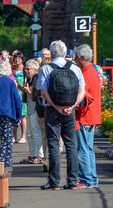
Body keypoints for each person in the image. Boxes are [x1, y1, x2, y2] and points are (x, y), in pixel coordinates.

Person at [37, 40, 85, 190]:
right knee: (71, 144)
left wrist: (57, 107)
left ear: (51, 54)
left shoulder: (46, 68)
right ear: (65, 54)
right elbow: (82, 91)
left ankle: (54, 182)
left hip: (52, 110)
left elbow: (43, 92)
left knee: (54, 144)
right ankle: (72, 181)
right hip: (70, 111)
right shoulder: (75, 68)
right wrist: (72, 106)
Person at [74, 44, 102, 188]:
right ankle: (91, 178)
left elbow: (85, 97)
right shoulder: (93, 71)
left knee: (83, 149)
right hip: (91, 115)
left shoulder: (86, 74)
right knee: (88, 149)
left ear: (82, 58)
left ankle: (86, 179)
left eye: (76, 58)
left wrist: (76, 108)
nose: (75, 61)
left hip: (85, 116)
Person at [21, 59, 43, 164]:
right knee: (29, 133)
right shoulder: (29, 79)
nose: (26, 70)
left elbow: (37, 95)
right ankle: (32, 154)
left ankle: (41, 155)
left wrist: (28, 91)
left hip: (35, 108)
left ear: (35, 69)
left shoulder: (37, 78)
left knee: (36, 132)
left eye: (28, 69)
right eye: (26, 68)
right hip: (29, 108)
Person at [11, 51, 27, 144]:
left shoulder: (24, 70)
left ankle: (23, 136)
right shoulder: (12, 69)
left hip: (21, 94)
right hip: (13, 94)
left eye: (19, 58)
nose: (17, 60)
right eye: (16, 58)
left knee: (22, 116)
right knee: (14, 116)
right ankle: (13, 136)